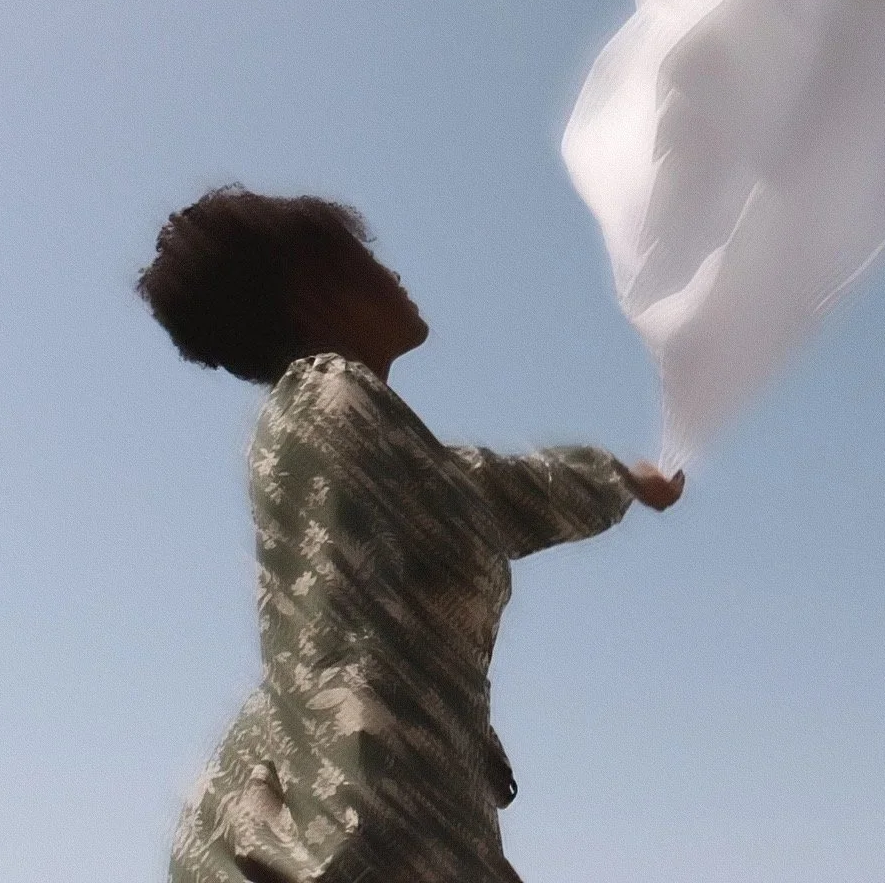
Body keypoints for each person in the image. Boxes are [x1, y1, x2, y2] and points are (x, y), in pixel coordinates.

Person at [138, 185, 684, 883]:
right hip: (359, 832)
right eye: (365, 258)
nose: (392, 273)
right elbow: (351, 630)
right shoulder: (327, 397)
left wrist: (619, 482)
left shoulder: (371, 442)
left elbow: (488, 489)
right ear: (316, 292)